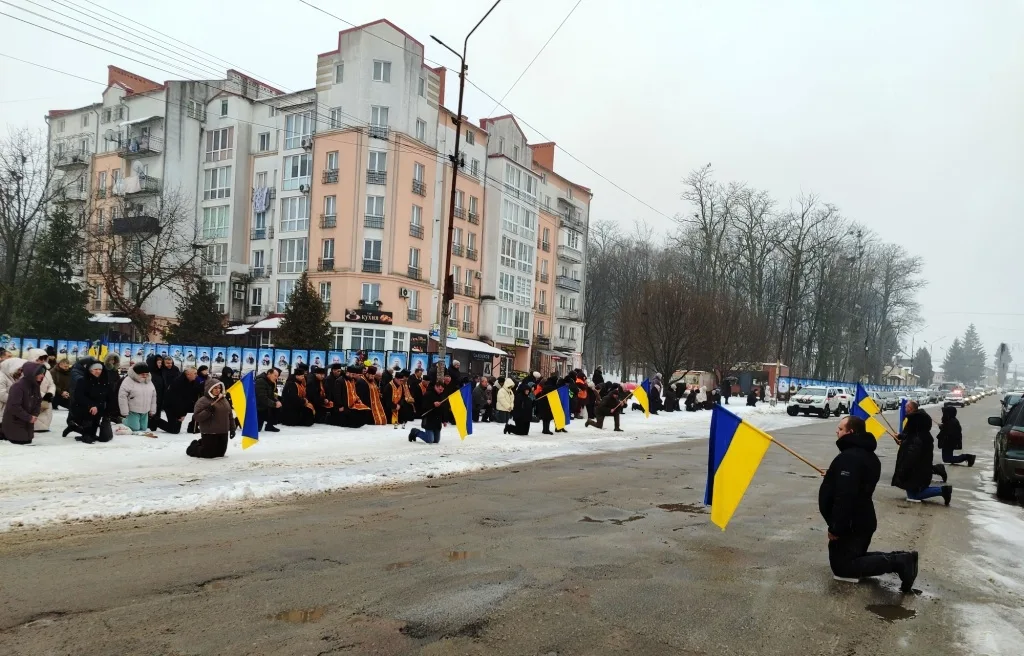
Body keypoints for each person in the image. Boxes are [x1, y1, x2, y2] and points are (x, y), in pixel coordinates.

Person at [820, 415, 919, 591]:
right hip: (860, 520)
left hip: (852, 523)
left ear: (851, 432)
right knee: (850, 559)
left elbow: (846, 495)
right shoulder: (864, 455)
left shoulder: (850, 458)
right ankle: (901, 558)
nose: (837, 431)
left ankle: (900, 562)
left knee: (844, 569)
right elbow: (855, 483)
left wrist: (836, 527)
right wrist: (834, 475)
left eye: (840, 428)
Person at [892, 401, 952, 505]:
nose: (905, 410)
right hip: (919, 471)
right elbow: (910, 436)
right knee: (912, 494)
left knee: (913, 496)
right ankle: (942, 490)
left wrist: (903, 471)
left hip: (914, 472)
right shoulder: (922, 434)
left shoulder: (916, 439)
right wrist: (901, 438)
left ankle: (943, 491)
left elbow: (910, 456)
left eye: (907, 408)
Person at [187, 378, 233, 458]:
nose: (218, 390)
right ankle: (193, 447)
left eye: (219, 388)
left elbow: (230, 415)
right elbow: (197, 417)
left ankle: (203, 443)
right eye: (215, 388)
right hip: (210, 432)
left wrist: (232, 428)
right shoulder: (203, 401)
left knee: (220, 454)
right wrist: (208, 411)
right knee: (208, 454)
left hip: (223, 431)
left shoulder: (224, 400)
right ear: (210, 388)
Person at [69, 361, 113, 443]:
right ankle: (85, 433)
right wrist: (91, 405)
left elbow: (109, 396)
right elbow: (79, 396)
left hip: (99, 407)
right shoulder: (82, 381)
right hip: (84, 407)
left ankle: (89, 433)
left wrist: (109, 409)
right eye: (95, 369)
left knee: (96, 425)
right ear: (90, 370)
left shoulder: (105, 382)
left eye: (100, 369)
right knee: (89, 421)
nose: (98, 371)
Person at [0, 362, 44, 445]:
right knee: (21, 440)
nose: (43, 376)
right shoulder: (17, 387)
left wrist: (34, 415)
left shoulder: (35, 386)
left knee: (27, 440)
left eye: (43, 373)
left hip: (27, 422)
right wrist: (29, 417)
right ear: (32, 373)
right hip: (15, 420)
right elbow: (14, 407)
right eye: (40, 373)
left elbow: (38, 402)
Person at [117, 363, 157, 434]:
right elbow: (122, 396)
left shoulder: (148, 381)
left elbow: (153, 396)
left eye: (146, 374)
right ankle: (123, 420)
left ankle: (130, 421)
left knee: (143, 428)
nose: (145, 376)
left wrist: (152, 410)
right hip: (133, 410)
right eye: (142, 374)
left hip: (145, 410)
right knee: (135, 428)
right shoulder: (128, 380)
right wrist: (124, 411)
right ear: (136, 373)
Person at [160, 367, 200, 434]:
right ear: (188, 374)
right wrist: (181, 414)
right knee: (174, 430)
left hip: (181, 406)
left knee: (201, 408)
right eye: (195, 373)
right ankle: (155, 421)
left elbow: (189, 398)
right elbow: (177, 401)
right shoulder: (178, 383)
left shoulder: (193, 381)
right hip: (170, 406)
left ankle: (192, 427)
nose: (197, 375)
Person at [25, 349, 56, 432]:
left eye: (44, 359)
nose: (42, 361)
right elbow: (29, 386)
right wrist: (43, 395)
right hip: (34, 399)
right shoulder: (27, 371)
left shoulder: (47, 371)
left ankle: (44, 427)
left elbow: (51, 384)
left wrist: (50, 393)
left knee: (45, 415)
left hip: (46, 400)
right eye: (40, 358)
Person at [408, 379, 447, 444]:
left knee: (436, 441)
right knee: (430, 440)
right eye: (440, 389)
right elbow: (423, 406)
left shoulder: (442, 395)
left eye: (442, 390)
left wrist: (444, 420)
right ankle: (415, 432)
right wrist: (433, 404)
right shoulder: (428, 394)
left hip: (437, 420)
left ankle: (431, 434)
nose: (441, 391)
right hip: (429, 419)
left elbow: (443, 409)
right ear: (436, 386)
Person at [255, 368, 282, 432]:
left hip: (264, 406)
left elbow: (271, 395)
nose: (276, 378)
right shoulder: (261, 381)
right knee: (257, 429)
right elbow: (262, 397)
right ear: (269, 374)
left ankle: (269, 426)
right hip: (257, 406)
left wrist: (276, 401)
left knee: (278, 404)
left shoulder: (270, 382)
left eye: (277, 376)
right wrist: (274, 404)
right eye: (275, 375)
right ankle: (239, 421)